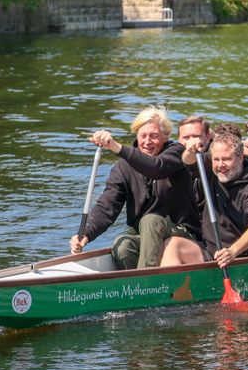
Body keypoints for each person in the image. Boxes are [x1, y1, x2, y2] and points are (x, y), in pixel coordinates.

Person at [70, 107, 202, 269]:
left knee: (150, 220)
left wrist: (115, 147)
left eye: (154, 136)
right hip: (145, 237)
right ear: (136, 136)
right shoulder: (122, 168)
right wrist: (86, 233)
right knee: (122, 245)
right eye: (143, 136)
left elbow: (156, 167)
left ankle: (147, 283)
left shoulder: (176, 153)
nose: (147, 142)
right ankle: (136, 286)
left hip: (182, 234)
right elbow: (107, 207)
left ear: (166, 136)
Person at [160, 130, 248, 267]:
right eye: (216, 159)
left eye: (227, 159)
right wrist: (190, 150)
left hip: (244, 256)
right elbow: (188, 161)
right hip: (212, 252)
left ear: (241, 158)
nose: (220, 165)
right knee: (173, 244)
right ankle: (170, 288)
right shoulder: (212, 170)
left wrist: (232, 252)